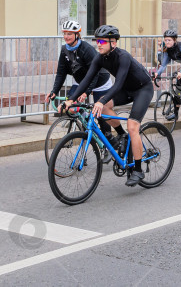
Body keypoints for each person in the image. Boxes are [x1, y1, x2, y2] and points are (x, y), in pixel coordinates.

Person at [64, 25, 155, 187]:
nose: (98, 44)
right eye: (96, 41)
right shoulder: (99, 58)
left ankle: (138, 170)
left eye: (102, 41)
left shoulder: (123, 57)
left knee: (133, 126)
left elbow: (118, 83)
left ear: (113, 43)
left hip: (143, 88)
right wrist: (71, 99)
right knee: (104, 108)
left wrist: (101, 100)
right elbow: (86, 80)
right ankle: (121, 135)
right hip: (127, 89)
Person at [47, 20, 114, 135]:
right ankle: (89, 123)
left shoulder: (87, 50)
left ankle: (109, 140)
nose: (66, 37)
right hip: (81, 82)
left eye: (69, 34)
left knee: (101, 113)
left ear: (77, 35)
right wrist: (55, 90)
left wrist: (86, 92)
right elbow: (61, 72)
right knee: (71, 106)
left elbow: (94, 74)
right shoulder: (64, 50)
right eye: (65, 34)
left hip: (100, 82)